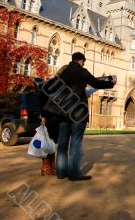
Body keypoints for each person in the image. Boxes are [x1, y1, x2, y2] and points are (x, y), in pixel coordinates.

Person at [56, 52, 116, 181]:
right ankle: (73, 174)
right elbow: (96, 83)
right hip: (78, 112)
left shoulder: (63, 73)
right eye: (83, 61)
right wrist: (111, 83)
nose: (84, 63)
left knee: (62, 143)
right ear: (81, 60)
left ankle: (61, 172)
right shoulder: (82, 71)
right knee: (76, 143)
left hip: (63, 112)